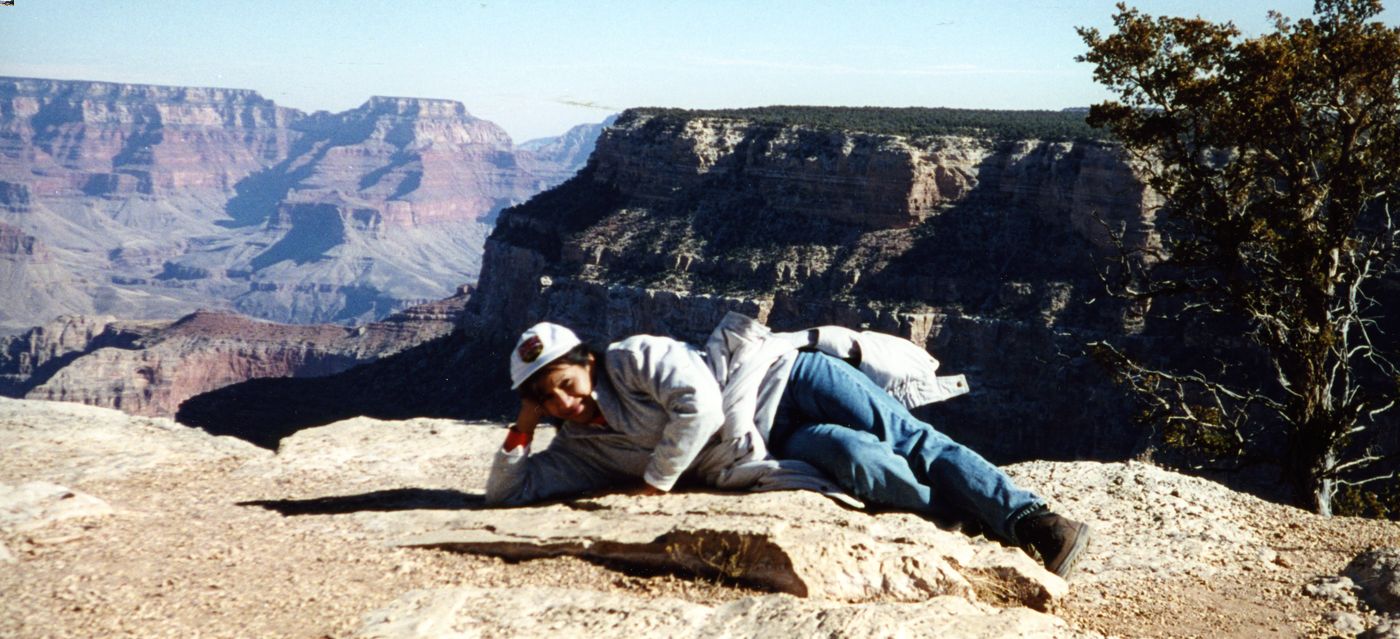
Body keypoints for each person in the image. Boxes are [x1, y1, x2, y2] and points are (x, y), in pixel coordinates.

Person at [485, 313, 1091, 578]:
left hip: (785, 378)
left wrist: (655, 484)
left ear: (586, 363)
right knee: (862, 463)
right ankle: (961, 515)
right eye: (548, 399)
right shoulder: (578, 450)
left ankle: (1030, 519)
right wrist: (524, 422)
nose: (566, 403)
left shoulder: (631, 358)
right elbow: (509, 492)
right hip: (776, 444)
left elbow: (700, 407)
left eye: (566, 384)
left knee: (903, 435)